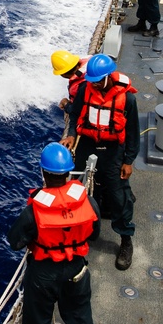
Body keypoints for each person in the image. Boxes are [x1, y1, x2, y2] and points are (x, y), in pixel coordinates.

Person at [7, 143, 99, 324]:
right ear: (68, 173)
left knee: (37, 316)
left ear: (43, 173)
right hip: (76, 270)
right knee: (79, 312)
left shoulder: (34, 210)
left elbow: (15, 241)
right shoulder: (86, 200)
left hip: (44, 272)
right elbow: (95, 231)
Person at [64, 54, 139, 270]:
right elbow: (76, 113)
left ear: (108, 77)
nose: (93, 84)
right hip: (87, 143)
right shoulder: (85, 90)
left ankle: (125, 238)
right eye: (92, 80)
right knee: (77, 188)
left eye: (97, 80)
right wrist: (70, 134)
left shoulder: (128, 99)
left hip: (113, 151)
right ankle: (79, 231)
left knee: (118, 195)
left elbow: (133, 133)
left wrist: (129, 160)